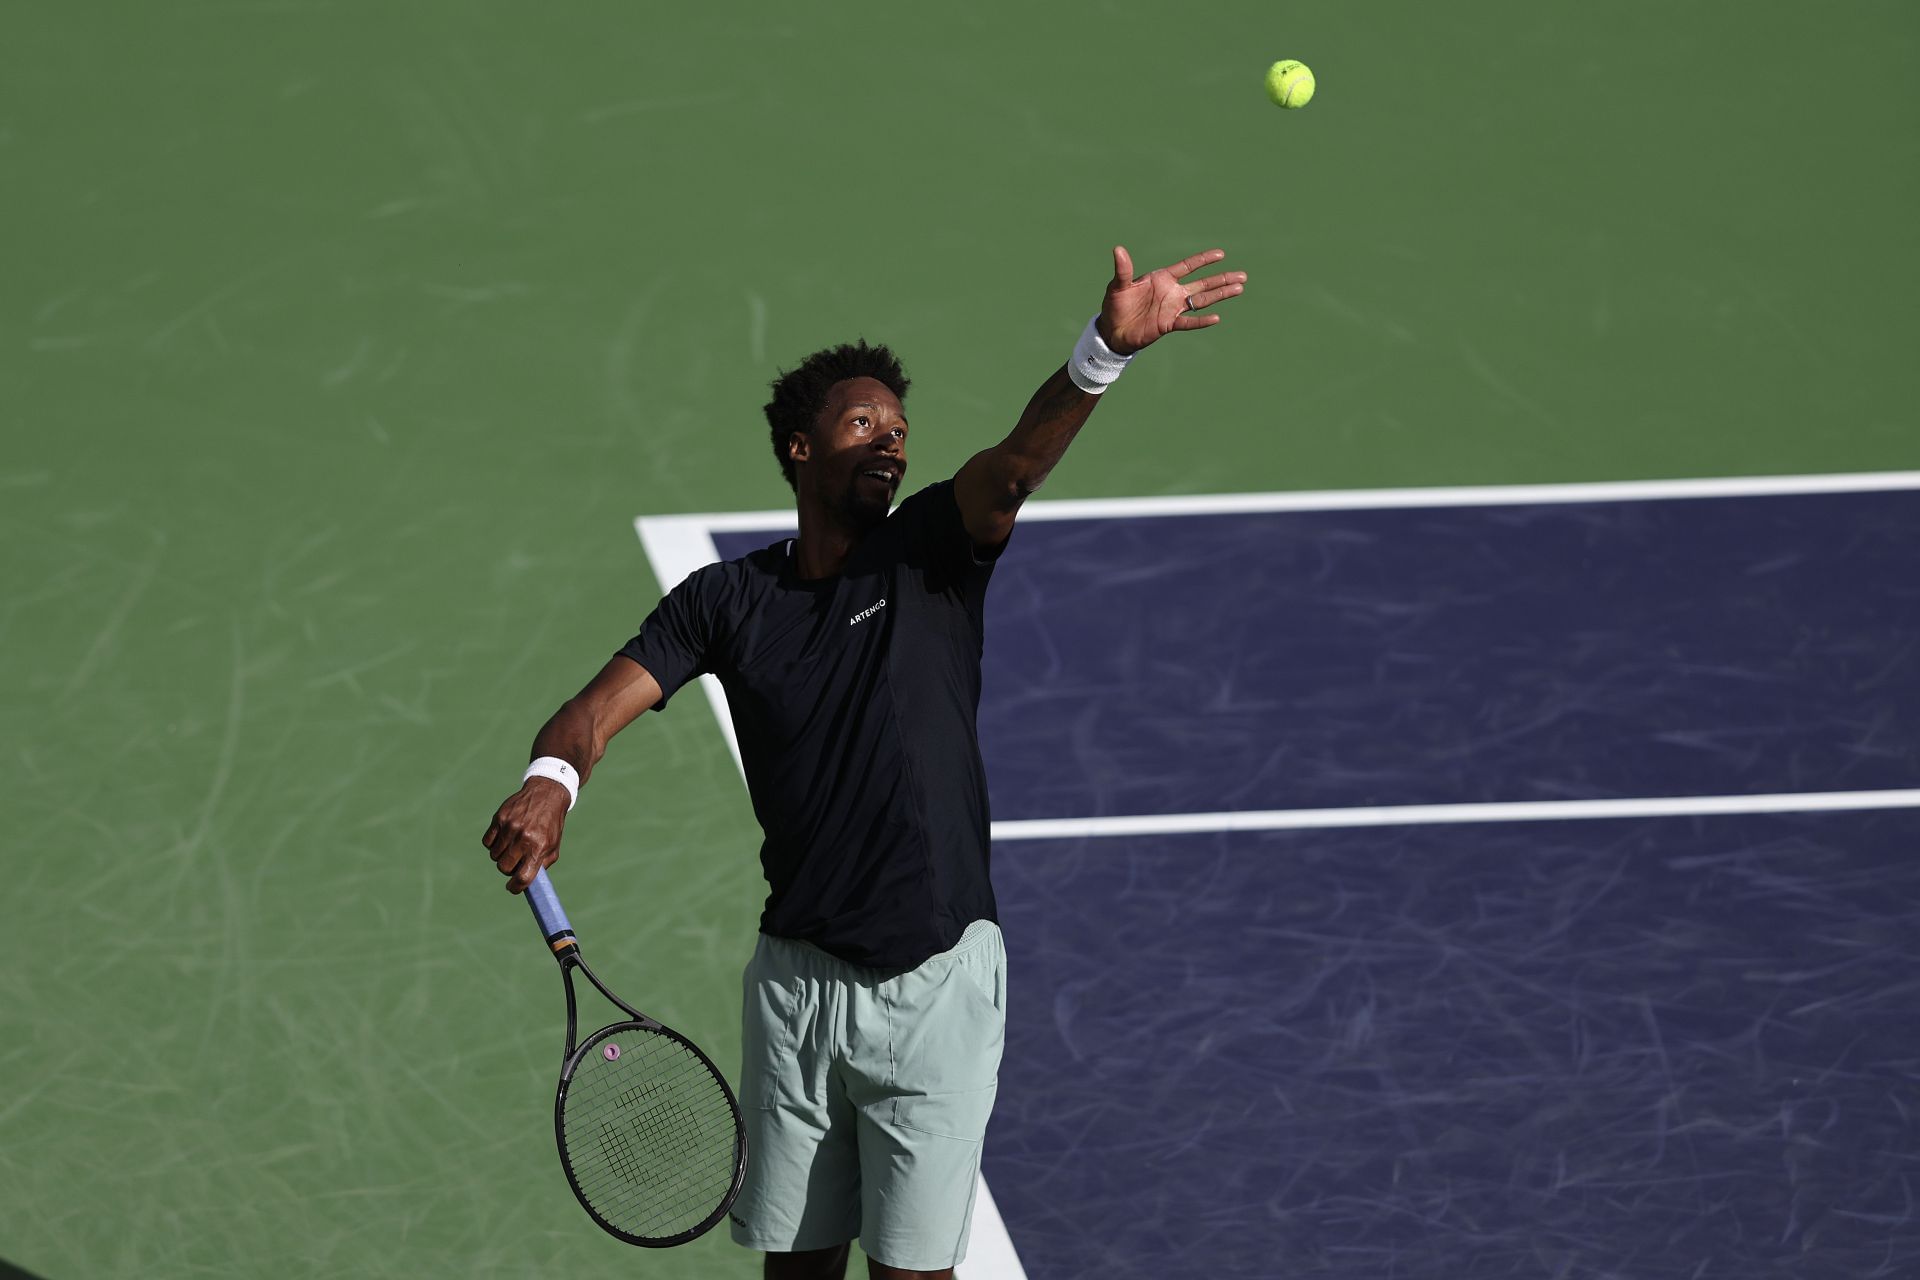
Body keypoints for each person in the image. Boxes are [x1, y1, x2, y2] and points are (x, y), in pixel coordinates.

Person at [482, 244, 1248, 1279]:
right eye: (862, 425)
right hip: (798, 989)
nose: (890, 441)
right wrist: (551, 781)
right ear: (801, 449)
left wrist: (1102, 351)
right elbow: (589, 713)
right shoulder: (726, 602)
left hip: (933, 986)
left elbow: (1014, 465)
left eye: (899, 429)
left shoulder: (934, 548)